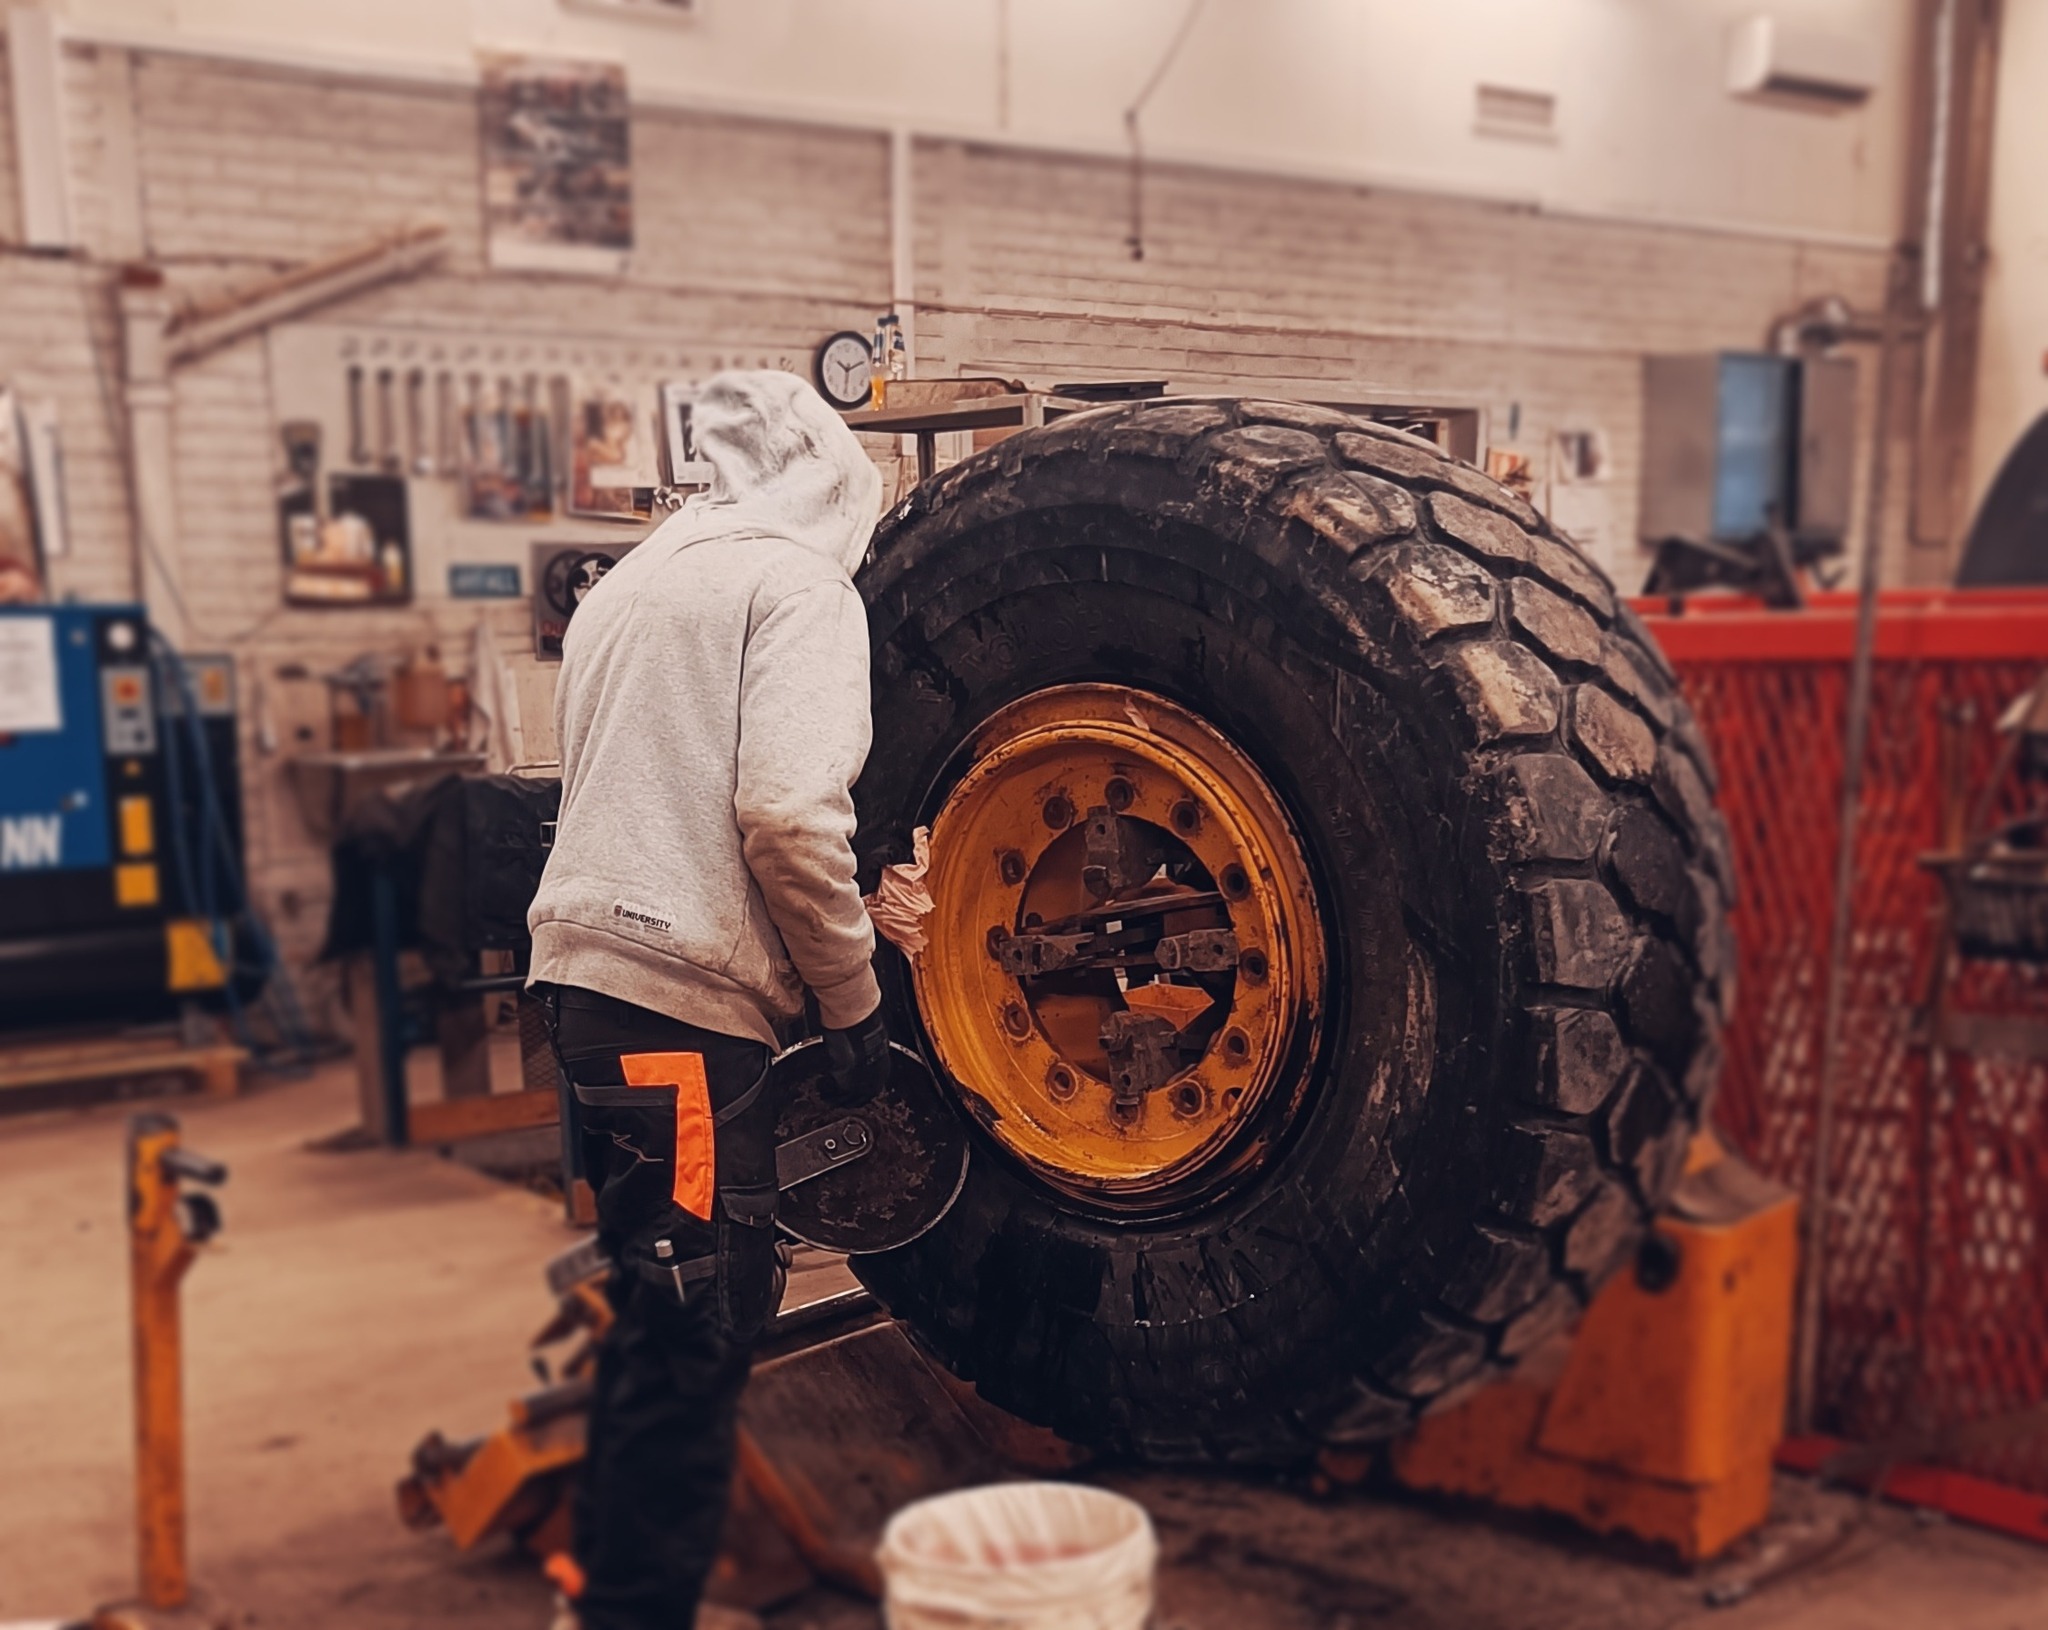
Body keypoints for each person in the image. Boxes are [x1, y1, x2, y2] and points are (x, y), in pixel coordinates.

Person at [527, 370, 891, 1630]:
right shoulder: (796, 585)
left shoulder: (622, 591)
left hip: (582, 995)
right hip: (679, 1020)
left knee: (653, 1301)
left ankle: (604, 1591)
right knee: (699, 1326)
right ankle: (632, 1610)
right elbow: (788, 817)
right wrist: (854, 1003)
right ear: (830, 483)